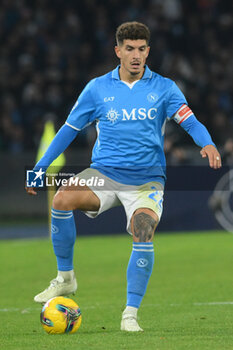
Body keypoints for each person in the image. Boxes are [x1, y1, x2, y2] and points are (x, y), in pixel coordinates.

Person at [26, 21, 221, 332]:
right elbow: (68, 130)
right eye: (129, 48)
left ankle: (130, 313)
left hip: (146, 180)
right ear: (118, 51)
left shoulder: (164, 88)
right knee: (62, 198)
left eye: (141, 49)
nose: (136, 55)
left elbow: (191, 121)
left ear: (148, 51)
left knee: (142, 229)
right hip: (104, 173)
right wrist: (41, 167)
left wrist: (208, 143)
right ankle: (65, 278)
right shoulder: (97, 89)